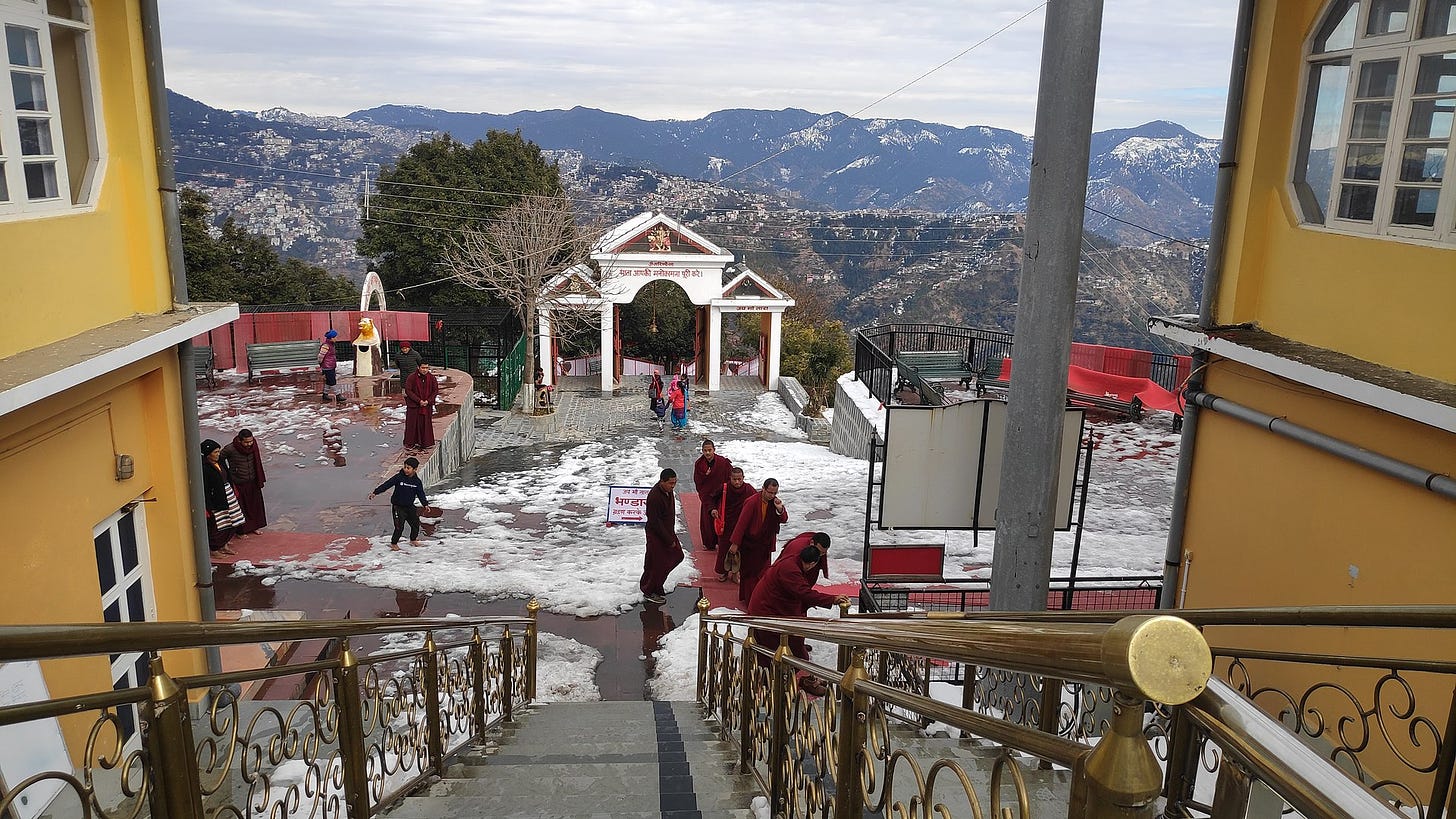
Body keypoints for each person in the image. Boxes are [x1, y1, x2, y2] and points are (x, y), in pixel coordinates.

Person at [747, 543, 849, 695]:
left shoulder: (792, 560)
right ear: (811, 564)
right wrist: (832, 599)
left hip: (770, 608)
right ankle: (787, 682)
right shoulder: (791, 570)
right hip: (767, 612)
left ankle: (776, 681)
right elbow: (804, 593)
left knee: (785, 645)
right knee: (790, 647)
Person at [729, 477, 788, 603]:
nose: (772, 495)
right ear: (763, 489)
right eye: (770, 492)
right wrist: (735, 543)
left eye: (774, 493)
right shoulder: (752, 502)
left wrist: (779, 509)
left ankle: (760, 597)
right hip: (751, 544)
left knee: (764, 573)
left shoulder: (775, 502)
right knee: (750, 574)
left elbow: (783, 519)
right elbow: (742, 524)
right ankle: (750, 599)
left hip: (765, 544)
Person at [639, 468, 683, 605]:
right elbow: (655, 522)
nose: (673, 486)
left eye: (675, 483)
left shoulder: (667, 492)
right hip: (657, 535)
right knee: (656, 564)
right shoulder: (655, 497)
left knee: (677, 556)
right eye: (670, 483)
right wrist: (668, 540)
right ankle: (649, 590)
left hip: (668, 532)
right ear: (662, 481)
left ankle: (657, 584)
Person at [369, 456, 429, 550]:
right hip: (398, 507)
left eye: (408, 468)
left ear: (415, 469)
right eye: (405, 467)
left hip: (409, 506)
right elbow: (387, 484)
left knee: (415, 524)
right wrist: (375, 492)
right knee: (399, 527)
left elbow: (420, 493)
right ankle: (394, 543)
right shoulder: (399, 477)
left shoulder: (417, 482)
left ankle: (413, 539)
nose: (405, 469)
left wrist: (425, 504)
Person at [201, 439, 246, 556]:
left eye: (218, 451)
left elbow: (228, 475)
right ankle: (215, 549)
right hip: (216, 498)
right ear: (208, 454)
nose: (218, 454)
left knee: (233, 520)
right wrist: (208, 506)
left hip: (228, 493)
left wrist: (233, 489)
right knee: (219, 523)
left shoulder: (220, 461)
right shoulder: (204, 468)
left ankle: (224, 544)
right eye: (215, 452)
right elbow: (205, 488)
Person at [220, 429, 267, 535]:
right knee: (241, 507)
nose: (249, 444)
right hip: (238, 482)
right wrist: (228, 473)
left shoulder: (253, 446)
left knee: (254, 505)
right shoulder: (230, 449)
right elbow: (220, 458)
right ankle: (241, 531)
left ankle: (255, 526)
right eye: (246, 442)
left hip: (253, 480)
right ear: (240, 440)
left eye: (250, 441)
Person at [714, 467, 757, 582]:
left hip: (742, 525)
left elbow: (757, 499)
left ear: (743, 478)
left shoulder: (748, 489)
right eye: (734, 479)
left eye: (739, 479)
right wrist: (713, 509)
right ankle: (723, 572)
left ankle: (735, 573)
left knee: (740, 550)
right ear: (730, 478)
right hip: (727, 524)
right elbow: (711, 498)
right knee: (724, 549)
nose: (737, 482)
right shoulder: (724, 488)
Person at [692, 440, 732, 553]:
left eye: (710, 450)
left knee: (721, 517)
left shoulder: (722, 462)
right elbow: (698, 481)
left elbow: (729, 477)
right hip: (707, 495)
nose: (708, 453)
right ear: (702, 451)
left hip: (721, 495)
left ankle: (722, 542)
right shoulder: (699, 464)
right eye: (705, 451)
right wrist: (706, 476)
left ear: (714, 450)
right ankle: (709, 543)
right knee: (707, 520)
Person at [403, 361, 440, 451]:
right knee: (412, 424)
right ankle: (410, 443)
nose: (425, 370)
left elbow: (435, 390)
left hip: (426, 405)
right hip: (414, 405)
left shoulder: (431, 378)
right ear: (418, 368)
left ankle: (425, 443)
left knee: (426, 424)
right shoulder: (411, 378)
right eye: (423, 368)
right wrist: (418, 400)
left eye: (427, 368)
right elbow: (408, 390)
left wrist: (428, 401)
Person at [319, 329, 340, 403]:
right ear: (331, 338)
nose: (336, 339)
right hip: (327, 367)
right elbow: (321, 356)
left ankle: (325, 394)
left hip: (330, 365)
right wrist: (321, 364)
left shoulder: (331, 345)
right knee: (332, 381)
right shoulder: (326, 346)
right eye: (335, 337)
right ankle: (338, 395)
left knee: (328, 381)